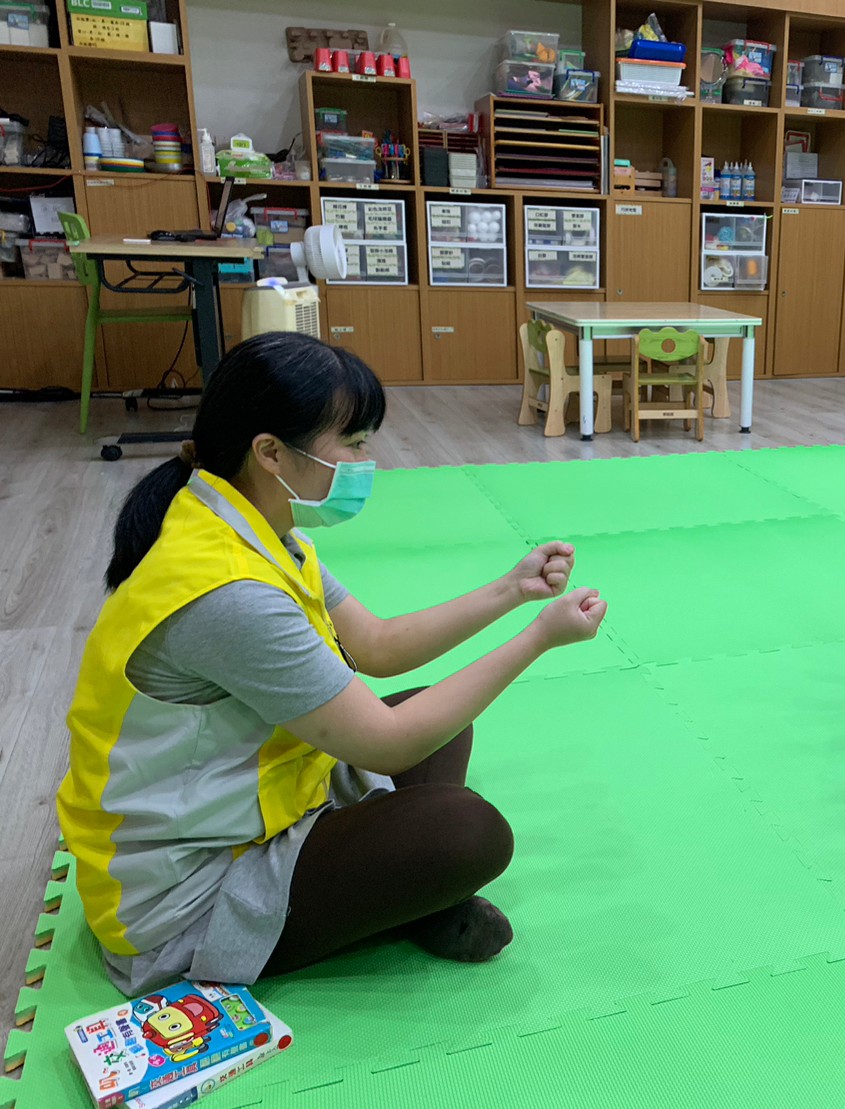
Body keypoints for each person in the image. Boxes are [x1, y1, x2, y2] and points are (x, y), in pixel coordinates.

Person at [56, 333, 608, 996]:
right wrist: (538, 638)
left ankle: (391, 897)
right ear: (270, 452)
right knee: (468, 829)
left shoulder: (251, 525)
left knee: (442, 720)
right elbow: (387, 738)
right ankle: (383, 910)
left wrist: (511, 590)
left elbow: (377, 644)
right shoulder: (230, 593)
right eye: (351, 442)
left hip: (256, 798)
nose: (364, 460)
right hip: (185, 892)